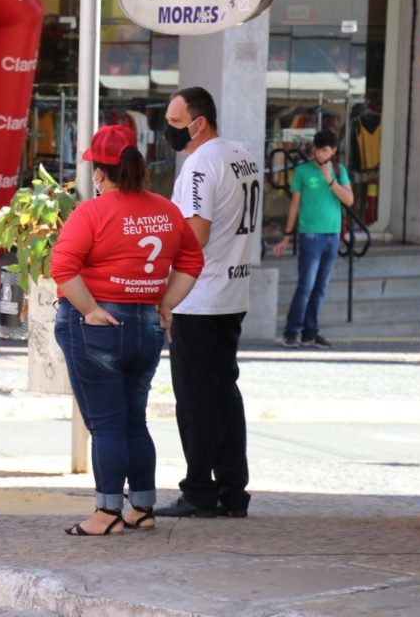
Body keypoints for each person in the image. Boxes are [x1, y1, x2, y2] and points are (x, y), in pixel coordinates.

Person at [52, 125, 204, 536]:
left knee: (105, 424)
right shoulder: (166, 210)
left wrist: (88, 309)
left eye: (94, 171)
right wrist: (166, 304)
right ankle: (141, 507)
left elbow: (62, 268)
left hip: (99, 325)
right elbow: (192, 261)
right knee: (134, 421)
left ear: (101, 174)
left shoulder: (92, 212)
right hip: (147, 325)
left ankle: (106, 514)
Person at [156, 87, 261, 519]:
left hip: (200, 297)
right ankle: (233, 489)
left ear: (199, 123)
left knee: (195, 398)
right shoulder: (244, 154)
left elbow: (195, 233)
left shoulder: (200, 163)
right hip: (234, 291)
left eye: (176, 122)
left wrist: (163, 282)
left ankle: (199, 489)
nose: (170, 130)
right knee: (224, 392)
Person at [273, 130, 355, 348]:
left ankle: (311, 332)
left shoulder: (339, 170)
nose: (320, 153)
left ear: (333, 151)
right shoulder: (302, 171)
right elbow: (294, 205)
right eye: (317, 149)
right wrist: (287, 236)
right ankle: (292, 331)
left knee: (321, 286)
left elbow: (349, 200)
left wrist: (331, 181)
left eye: (325, 149)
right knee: (306, 285)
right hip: (310, 235)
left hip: (333, 235)